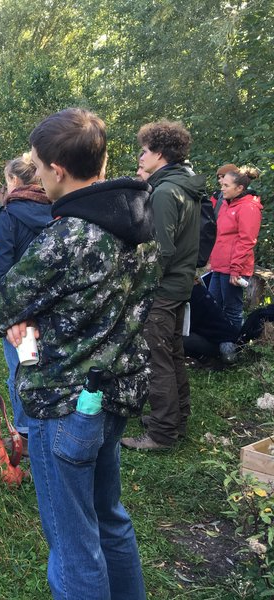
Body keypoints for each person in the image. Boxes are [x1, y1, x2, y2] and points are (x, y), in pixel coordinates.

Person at [0, 108, 156, 600]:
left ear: (58, 169)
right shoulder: (139, 222)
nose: (35, 175)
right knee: (109, 519)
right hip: (115, 391)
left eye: (37, 166)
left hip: (64, 403)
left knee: (73, 542)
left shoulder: (69, 237)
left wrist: (27, 316)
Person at [122, 120, 206, 451]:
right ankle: (175, 418)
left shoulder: (166, 192)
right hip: (180, 284)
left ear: (159, 153)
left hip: (164, 288)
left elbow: (163, 250)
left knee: (157, 357)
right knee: (172, 352)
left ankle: (161, 433)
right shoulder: (184, 185)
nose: (140, 157)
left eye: (144, 151)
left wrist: (139, 282)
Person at [0, 153, 52, 442]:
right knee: (50, 368)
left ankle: (24, 434)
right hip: (55, 306)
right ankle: (51, 427)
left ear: (13, 180)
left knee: (20, 370)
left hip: (19, 312)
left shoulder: (7, 217)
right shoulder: (58, 211)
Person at [207, 166, 262, 332]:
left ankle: (233, 345)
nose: (221, 188)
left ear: (240, 188)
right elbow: (220, 235)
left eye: (226, 186)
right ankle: (215, 342)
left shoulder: (248, 207)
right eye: (222, 185)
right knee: (212, 305)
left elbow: (246, 240)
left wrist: (236, 269)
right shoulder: (226, 204)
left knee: (232, 309)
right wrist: (212, 260)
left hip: (234, 268)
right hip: (220, 265)